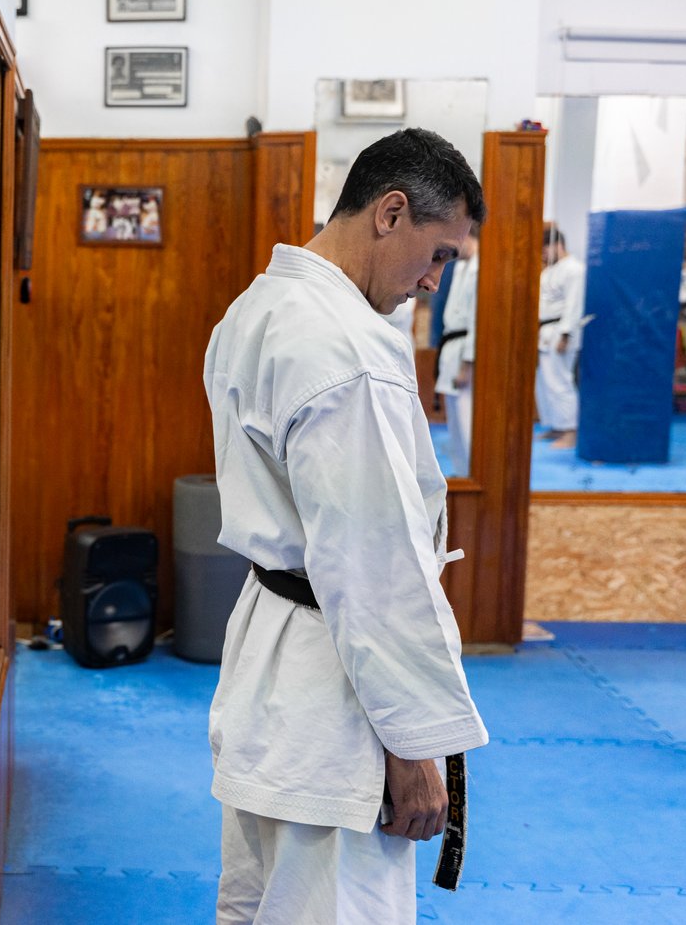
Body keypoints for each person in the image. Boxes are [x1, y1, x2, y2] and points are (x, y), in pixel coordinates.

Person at [204, 128, 489, 923]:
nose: (433, 283)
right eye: (438, 256)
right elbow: (372, 566)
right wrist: (413, 745)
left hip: (271, 673)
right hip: (335, 696)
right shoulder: (349, 350)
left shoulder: (255, 309)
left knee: (254, 904)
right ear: (390, 212)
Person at [433, 225, 480, 475]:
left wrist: (468, 363)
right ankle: (462, 471)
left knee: (466, 417)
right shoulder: (462, 267)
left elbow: (477, 321)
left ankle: (473, 472)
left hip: (464, 350)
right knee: (454, 418)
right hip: (451, 344)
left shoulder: (481, 269)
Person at [536, 225, 585, 450]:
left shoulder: (574, 269)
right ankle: (556, 425)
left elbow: (575, 305)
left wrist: (566, 334)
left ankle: (570, 431)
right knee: (545, 383)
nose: (544, 254)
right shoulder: (549, 270)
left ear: (557, 244)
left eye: (546, 249)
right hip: (544, 332)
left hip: (560, 332)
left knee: (560, 382)